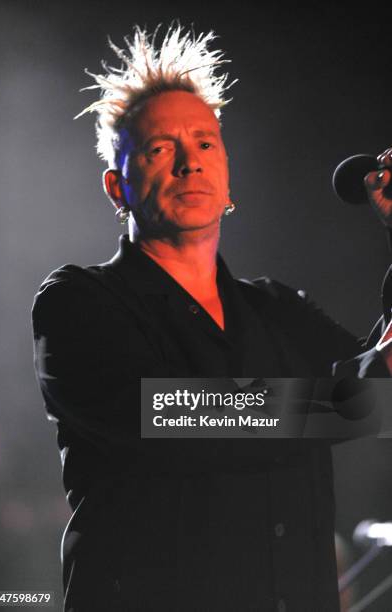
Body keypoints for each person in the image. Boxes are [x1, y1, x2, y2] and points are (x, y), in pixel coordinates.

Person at [32, 24, 392, 611]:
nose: (187, 163)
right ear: (116, 187)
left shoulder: (277, 307)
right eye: (158, 148)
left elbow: (382, 399)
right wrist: (350, 397)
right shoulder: (76, 302)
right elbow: (172, 414)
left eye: (204, 143)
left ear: (227, 175)